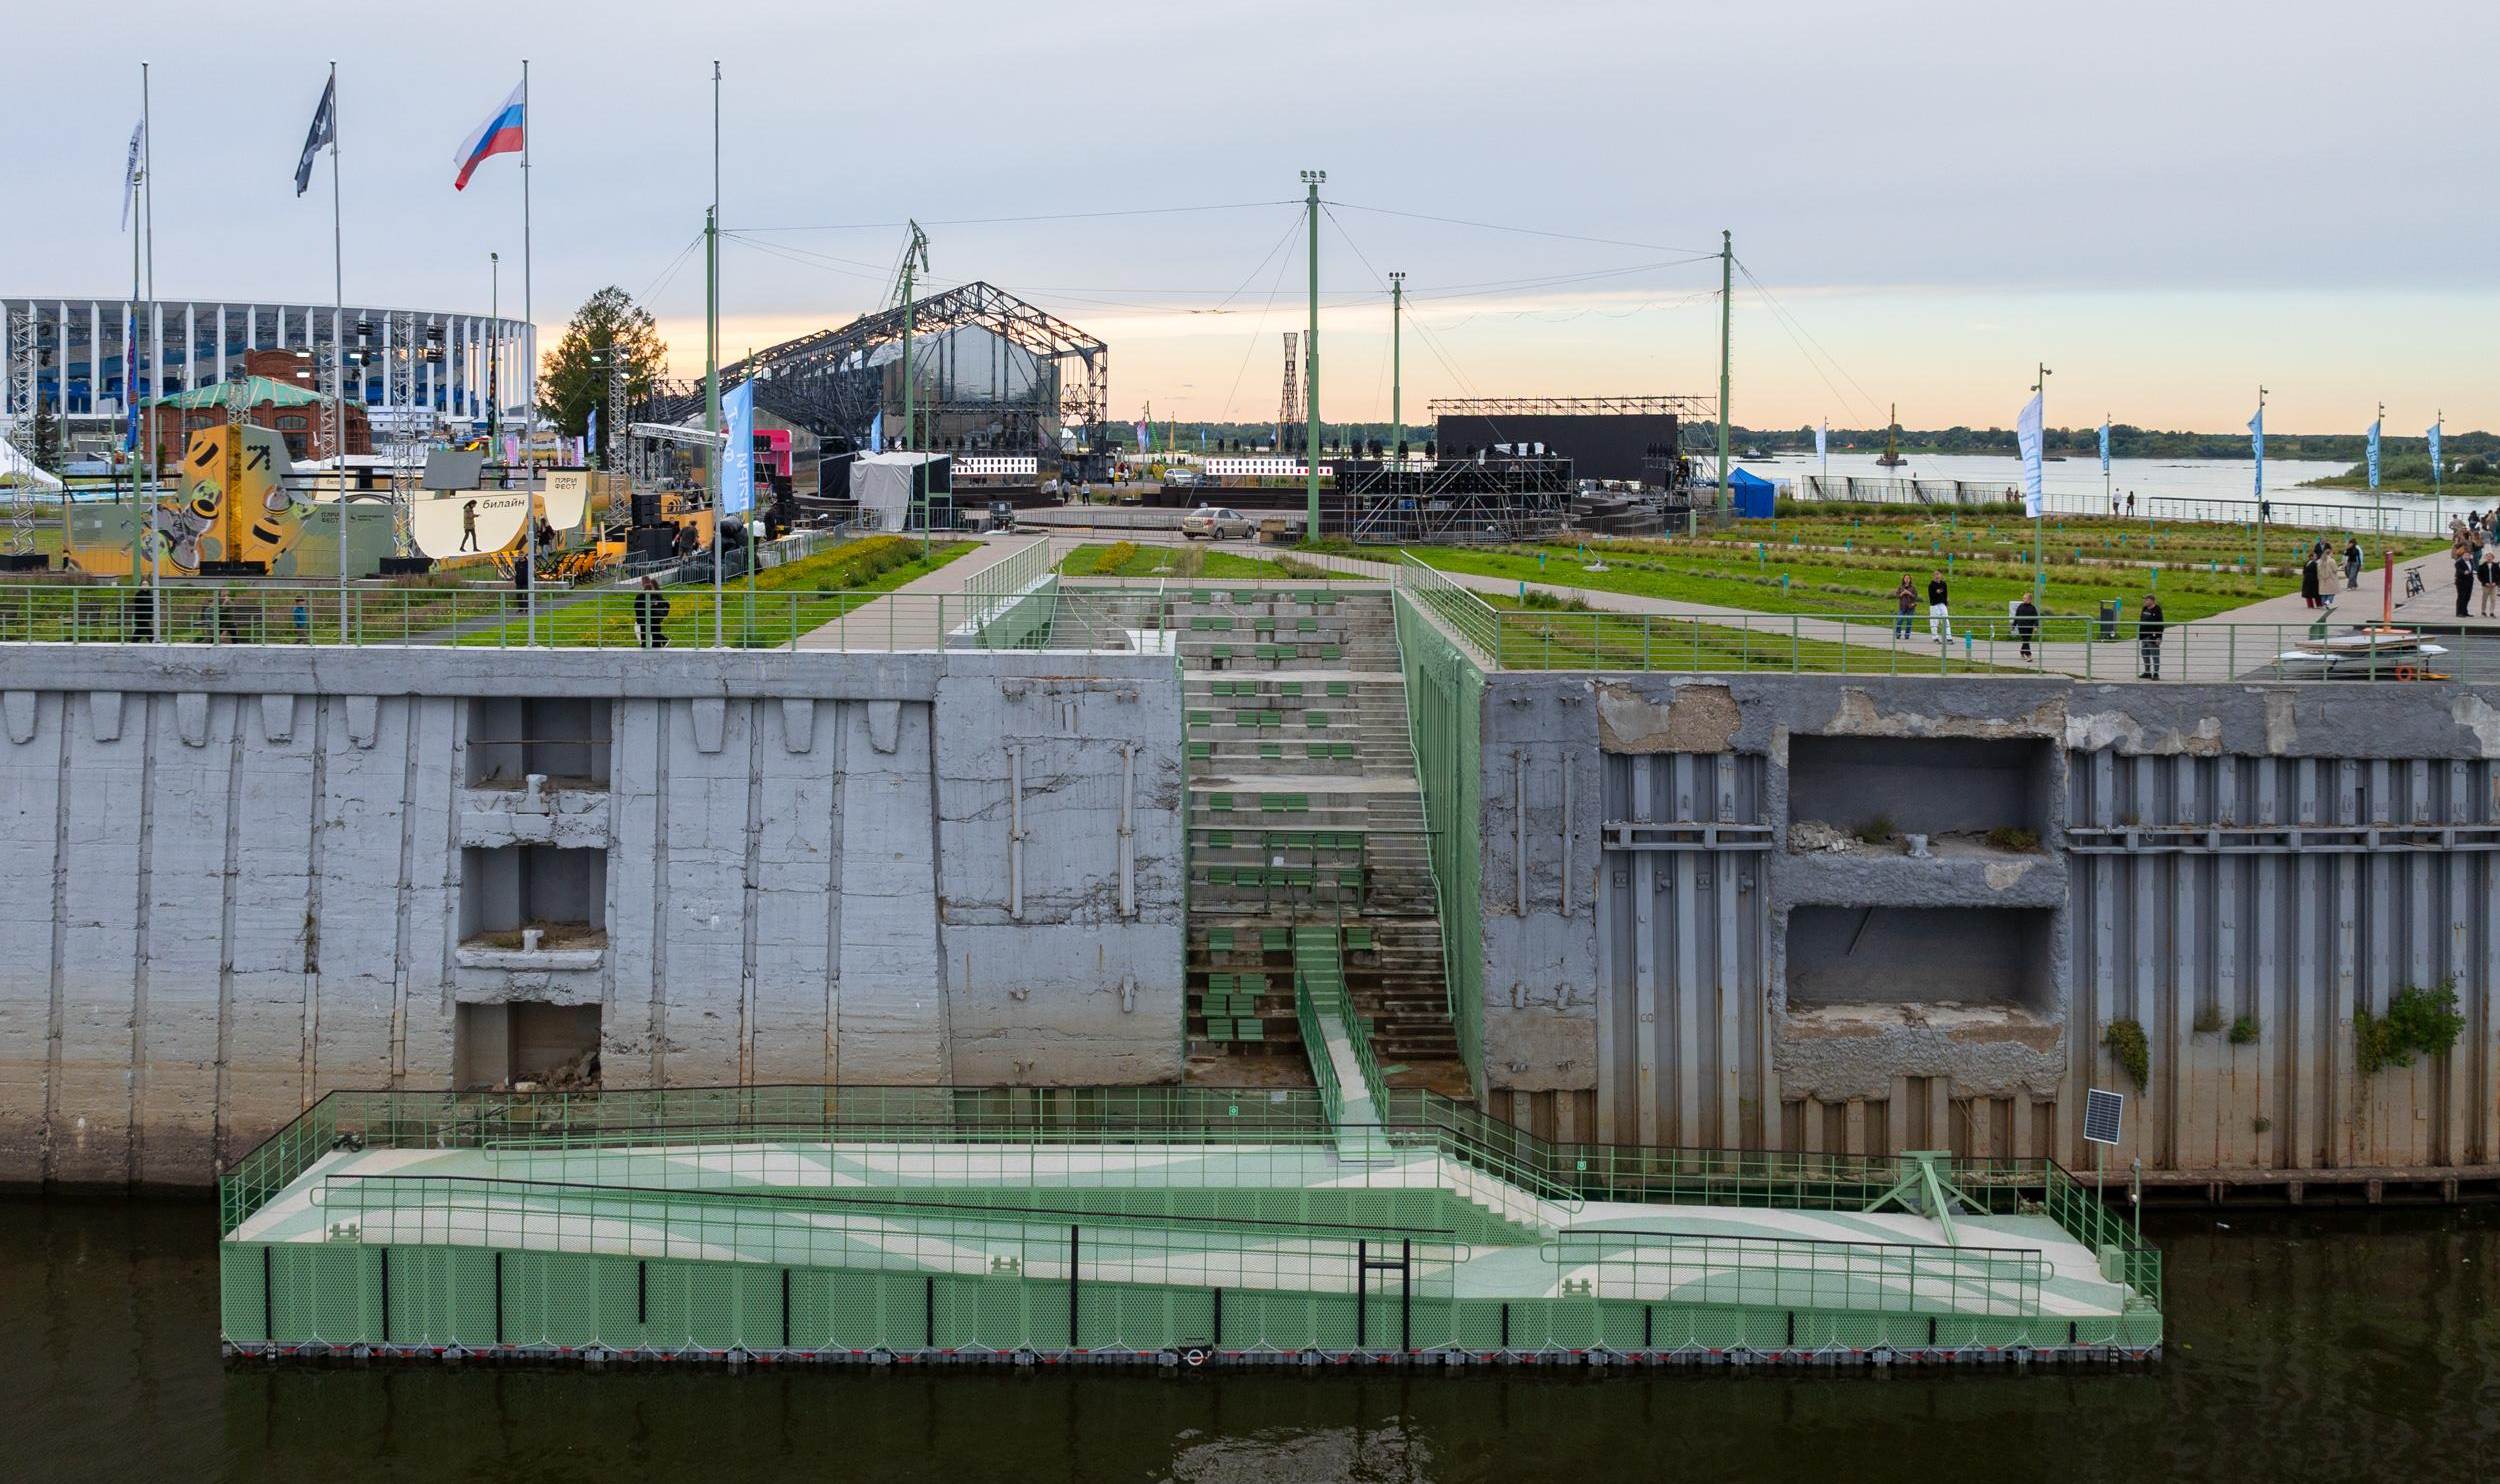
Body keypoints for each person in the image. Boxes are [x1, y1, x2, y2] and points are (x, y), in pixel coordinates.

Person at [2137, 592, 2166, 679]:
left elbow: (2160, 624)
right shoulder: (2144, 608)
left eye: (2147, 600)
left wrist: (2159, 637)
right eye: (2145, 599)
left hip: (2153, 637)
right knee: (2145, 654)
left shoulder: (2157, 610)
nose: (2145, 601)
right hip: (2144, 636)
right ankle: (2147, 672)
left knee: (2155, 655)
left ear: (2152, 601)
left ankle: (2156, 673)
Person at [2012, 592, 2039, 662]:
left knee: (2026, 640)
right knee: (2026, 640)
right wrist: (2013, 625)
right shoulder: (2020, 606)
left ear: (2030, 600)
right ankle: (2029, 655)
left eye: (2025, 598)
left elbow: (2036, 618)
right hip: (2021, 626)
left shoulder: (2032, 608)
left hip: (2029, 627)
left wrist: (2036, 626)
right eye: (2023, 598)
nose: (2023, 599)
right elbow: (2016, 616)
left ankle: (2022, 651)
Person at [1926, 571, 1951, 642]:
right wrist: (1936, 592)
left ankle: (1948, 637)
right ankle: (1935, 637)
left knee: (1945, 620)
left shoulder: (1943, 584)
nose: (1937, 576)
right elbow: (1931, 596)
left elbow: (1945, 594)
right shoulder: (1931, 585)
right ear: (1933, 576)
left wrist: (1946, 602)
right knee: (1934, 621)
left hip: (1942, 604)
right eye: (1935, 575)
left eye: (1938, 574)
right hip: (1934, 605)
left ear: (1941, 575)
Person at [2455, 544, 2477, 619]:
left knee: (2467, 597)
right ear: (2462, 555)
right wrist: (2464, 572)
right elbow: (2459, 570)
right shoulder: (2459, 562)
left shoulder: (2470, 560)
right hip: (2461, 581)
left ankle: (2465, 611)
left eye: (2468, 555)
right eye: (2465, 555)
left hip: (2469, 581)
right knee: (2461, 597)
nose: (2467, 556)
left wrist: (2472, 571)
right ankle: (2459, 612)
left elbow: (2472, 567)